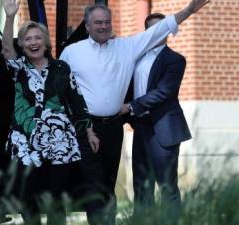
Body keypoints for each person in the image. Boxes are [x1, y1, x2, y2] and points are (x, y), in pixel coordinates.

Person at [59, 0, 209, 224]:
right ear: (87, 26)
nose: (103, 26)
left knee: (111, 182)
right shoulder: (72, 52)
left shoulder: (127, 47)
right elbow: (60, 88)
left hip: (117, 127)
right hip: (87, 127)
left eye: (107, 22)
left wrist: (188, 10)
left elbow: (161, 29)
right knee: (93, 182)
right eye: (98, 22)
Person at [1, 0, 100, 224]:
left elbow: (77, 101)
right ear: (23, 44)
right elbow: (7, 48)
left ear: (45, 42)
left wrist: (90, 131)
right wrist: (9, 17)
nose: (33, 42)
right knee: (28, 200)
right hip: (26, 144)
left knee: (56, 200)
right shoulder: (19, 69)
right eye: (27, 39)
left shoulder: (61, 68)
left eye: (37, 38)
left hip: (58, 141)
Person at [120, 13, 191, 218]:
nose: (157, 32)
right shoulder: (135, 58)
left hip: (163, 128)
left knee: (167, 184)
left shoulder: (175, 60)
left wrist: (131, 106)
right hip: (140, 126)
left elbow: (163, 92)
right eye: (152, 29)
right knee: (141, 183)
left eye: (161, 28)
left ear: (168, 31)